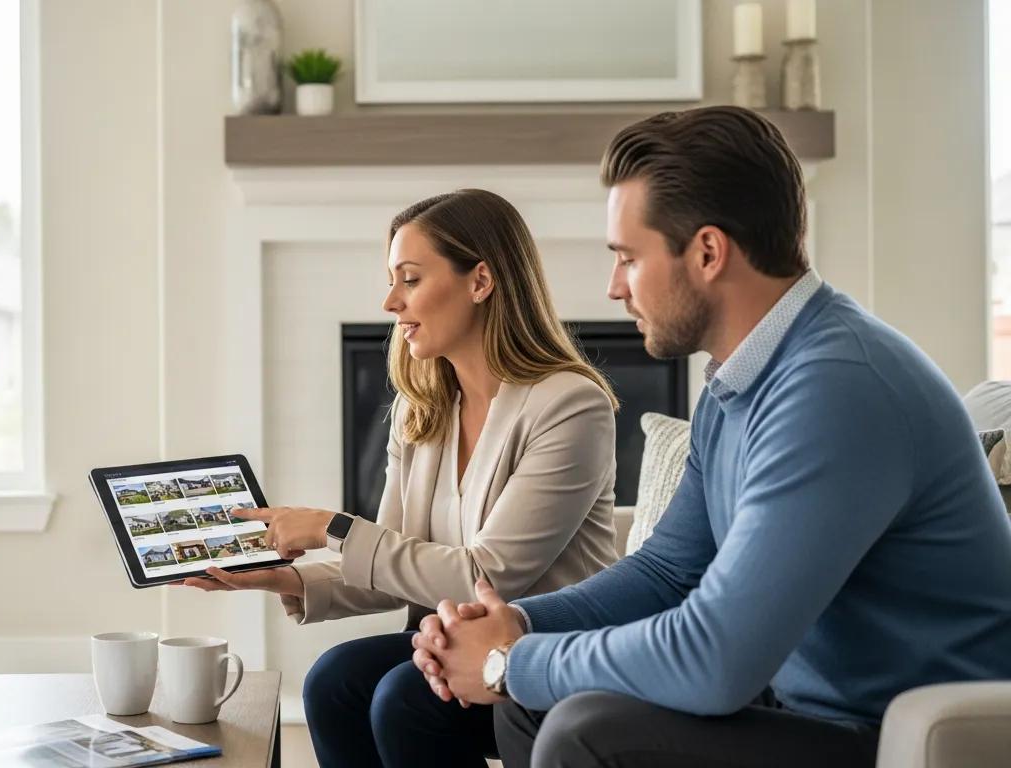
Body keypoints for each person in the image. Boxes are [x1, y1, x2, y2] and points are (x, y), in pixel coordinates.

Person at [410, 106, 1011, 768]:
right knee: (534, 705)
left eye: (628, 259)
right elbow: (669, 570)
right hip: (803, 704)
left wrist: (508, 662)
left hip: (888, 731)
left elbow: (715, 656)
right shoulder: (742, 378)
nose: (614, 287)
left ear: (706, 252)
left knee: (581, 728)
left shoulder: (835, 388)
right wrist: (520, 624)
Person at [183, 189, 621, 767]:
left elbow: (486, 574)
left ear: (480, 281)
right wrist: (279, 578)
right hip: (453, 643)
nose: (391, 301)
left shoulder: (569, 406)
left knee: (401, 699)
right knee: (333, 680)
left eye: (410, 279)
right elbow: (393, 572)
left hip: (542, 653)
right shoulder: (426, 409)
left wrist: (329, 527)